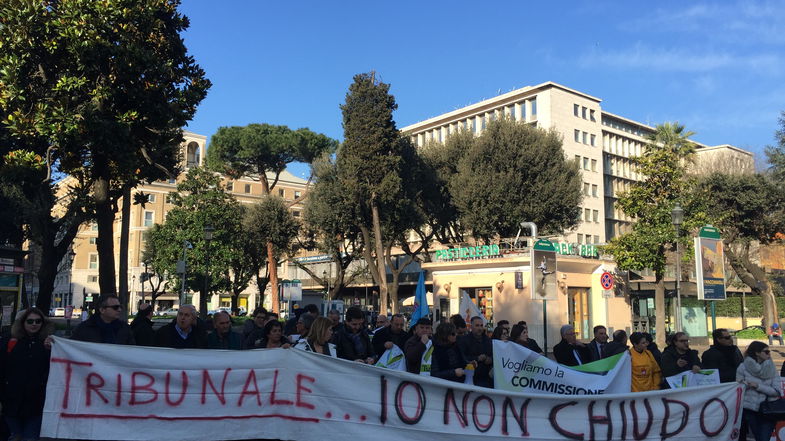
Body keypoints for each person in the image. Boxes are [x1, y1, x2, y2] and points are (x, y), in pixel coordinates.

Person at [0, 308, 53, 441]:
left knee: (30, 437)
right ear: (22, 323)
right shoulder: (9, 342)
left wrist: (52, 349)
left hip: (37, 404)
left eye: (38, 321)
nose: (34, 324)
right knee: (14, 436)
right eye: (30, 321)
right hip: (11, 404)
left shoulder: (49, 344)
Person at [736, 341, 779, 441]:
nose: (769, 354)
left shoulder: (772, 368)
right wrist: (745, 384)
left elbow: (776, 391)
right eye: (766, 352)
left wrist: (758, 386)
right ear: (757, 353)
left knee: (764, 438)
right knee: (758, 437)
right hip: (750, 410)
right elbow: (738, 388)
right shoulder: (742, 367)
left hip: (769, 409)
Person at [71, 294, 135, 345]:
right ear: (102, 310)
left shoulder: (125, 328)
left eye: (120, 307)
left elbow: (131, 349)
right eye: (115, 307)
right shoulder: (84, 328)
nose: (119, 310)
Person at [457, 316, 493, 387]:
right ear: (471, 326)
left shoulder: (488, 341)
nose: (480, 328)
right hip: (468, 378)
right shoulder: (463, 340)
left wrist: (489, 359)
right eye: (477, 325)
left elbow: (493, 356)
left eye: (481, 325)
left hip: (485, 379)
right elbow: (461, 358)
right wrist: (477, 358)